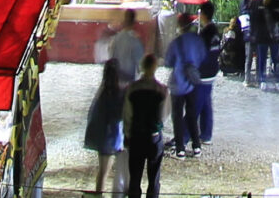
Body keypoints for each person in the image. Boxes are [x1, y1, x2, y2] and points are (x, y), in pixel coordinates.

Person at [167, 14, 210, 159]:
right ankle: (196, 146)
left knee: (177, 116)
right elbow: (203, 57)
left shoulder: (176, 42)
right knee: (192, 115)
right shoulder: (198, 40)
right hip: (193, 82)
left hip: (178, 83)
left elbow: (168, 61)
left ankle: (180, 149)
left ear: (179, 25)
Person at [82, 56, 125, 195]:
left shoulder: (102, 92)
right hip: (112, 138)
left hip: (103, 136)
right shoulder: (118, 93)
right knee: (109, 172)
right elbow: (118, 116)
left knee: (103, 172)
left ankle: (99, 193)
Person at [123, 68, 168, 198]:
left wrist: (127, 133)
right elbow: (164, 115)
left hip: (136, 136)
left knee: (135, 178)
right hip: (153, 136)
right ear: (154, 69)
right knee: (154, 179)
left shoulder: (132, 89)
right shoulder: (162, 90)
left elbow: (127, 115)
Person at [107, 10, 148, 85]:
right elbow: (140, 64)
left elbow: (110, 56)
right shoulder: (135, 40)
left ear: (124, 21)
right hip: (129, 78)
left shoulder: (115, 39)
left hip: (116, 77)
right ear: (134, 22)